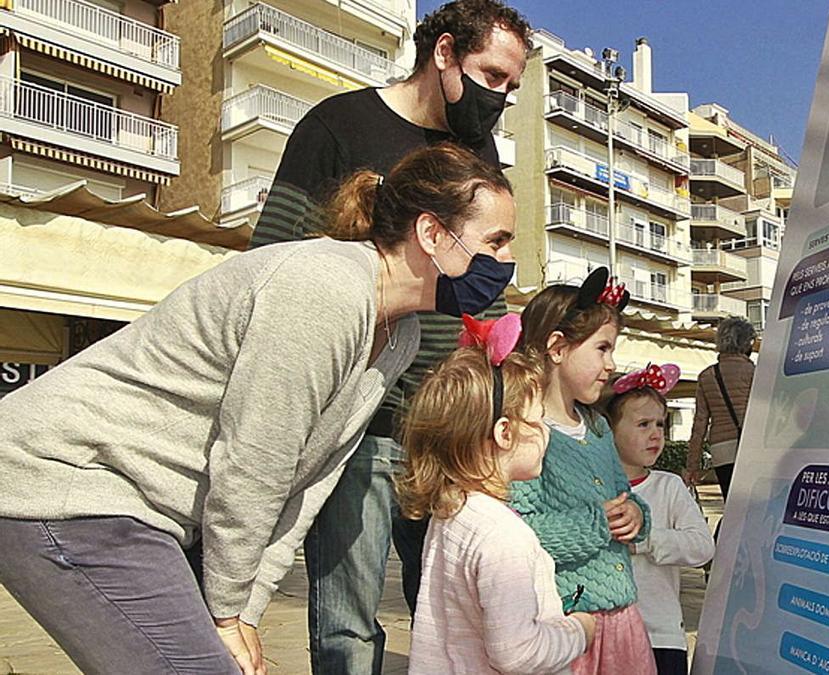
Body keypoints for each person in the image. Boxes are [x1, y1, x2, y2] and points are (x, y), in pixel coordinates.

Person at [0, 143, 517, 675]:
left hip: (137, 507)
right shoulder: (327, 287)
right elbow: (255, 462)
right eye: (495, 242)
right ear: (432, 233)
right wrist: (225, 610)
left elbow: (307, 481)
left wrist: (244, 607)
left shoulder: (399, 334)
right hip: (64, 480)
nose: (505, 263)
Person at [247, 1, 532, 671]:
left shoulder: (477, 154)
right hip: (361, 415)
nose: (502, 98)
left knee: (454, 610)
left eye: (513, 86)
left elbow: (485, 278)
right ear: (443, 54)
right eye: (493, 76)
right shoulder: (336, 128)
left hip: (450, 417)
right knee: (348, 621)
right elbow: (272, 265)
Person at [401, 316, 597, 673]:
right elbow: (518, 653)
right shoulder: (503, 535)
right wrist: (578, 631)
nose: (545, 434)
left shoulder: (454, 512)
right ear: (505, 432)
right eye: (538, 420)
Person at [510, 266, 656, 674]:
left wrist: (636, 514)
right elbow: (519, 533)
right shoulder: (525, 433)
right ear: (557, 348)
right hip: (568, 625)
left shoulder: (597, 427)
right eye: (602, 349)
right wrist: (599, 523)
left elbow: (624, 494)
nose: (612, 363)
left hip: (623, 619)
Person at [604, 363, 715, 675]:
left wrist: (646, 539)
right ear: (609, 431)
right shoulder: (593, 489)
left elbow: (702, 547)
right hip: (603, 635)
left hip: (661, 635)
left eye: (660, 425)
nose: (655, 434)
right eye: (643, 425)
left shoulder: (669, 486)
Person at [685, 317, 757, 502]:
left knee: (731, 503)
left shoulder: (707, 376)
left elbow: (700, 423)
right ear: (745, 341)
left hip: (721, 448)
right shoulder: (754, 372)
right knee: (754, 503)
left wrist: (692, 465)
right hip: (751, 443)